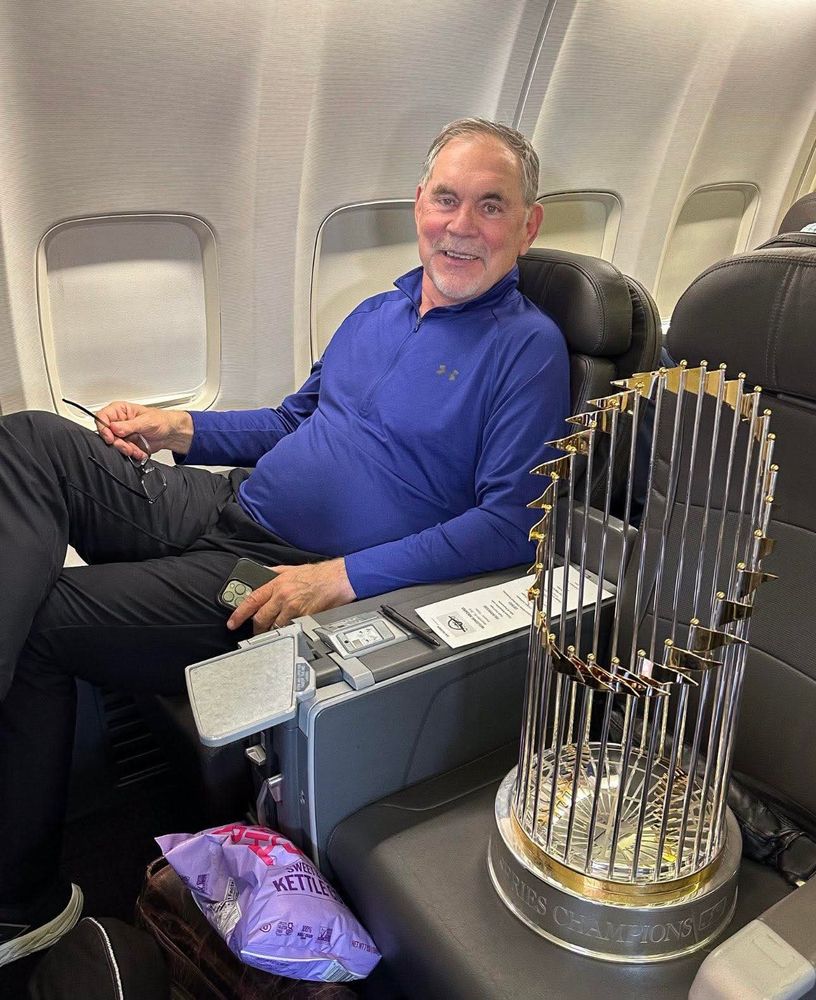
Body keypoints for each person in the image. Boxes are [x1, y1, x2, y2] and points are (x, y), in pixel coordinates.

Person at [0, 118, 569, 966]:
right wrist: (180, 427)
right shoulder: (377, 309)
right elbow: (293, 419)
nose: (461, 224)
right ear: (419, 204)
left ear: (528, 226)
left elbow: (510, 523)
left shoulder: (527, 350)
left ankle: (22, 899)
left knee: (50, 621)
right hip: (220, 502)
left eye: (491, 207)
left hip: (264, 573)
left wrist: (342, 577)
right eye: (446, 198)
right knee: (30, 442)